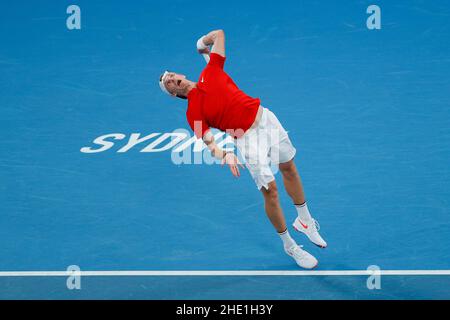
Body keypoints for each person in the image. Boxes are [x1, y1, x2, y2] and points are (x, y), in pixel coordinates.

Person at [158, 29, 327, 269]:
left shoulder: (211, 70)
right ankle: (290, 246)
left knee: (289, 167)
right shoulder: (192, 113)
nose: (173, 79)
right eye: (169, 83)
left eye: (173, 75)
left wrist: (201, 43)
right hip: (245, 139)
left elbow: (219, 34)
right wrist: (225, 155)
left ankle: (305, 221)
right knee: (270, 191)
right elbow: (210, 144)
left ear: (181, 74)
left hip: (265, 119)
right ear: (174, 93)